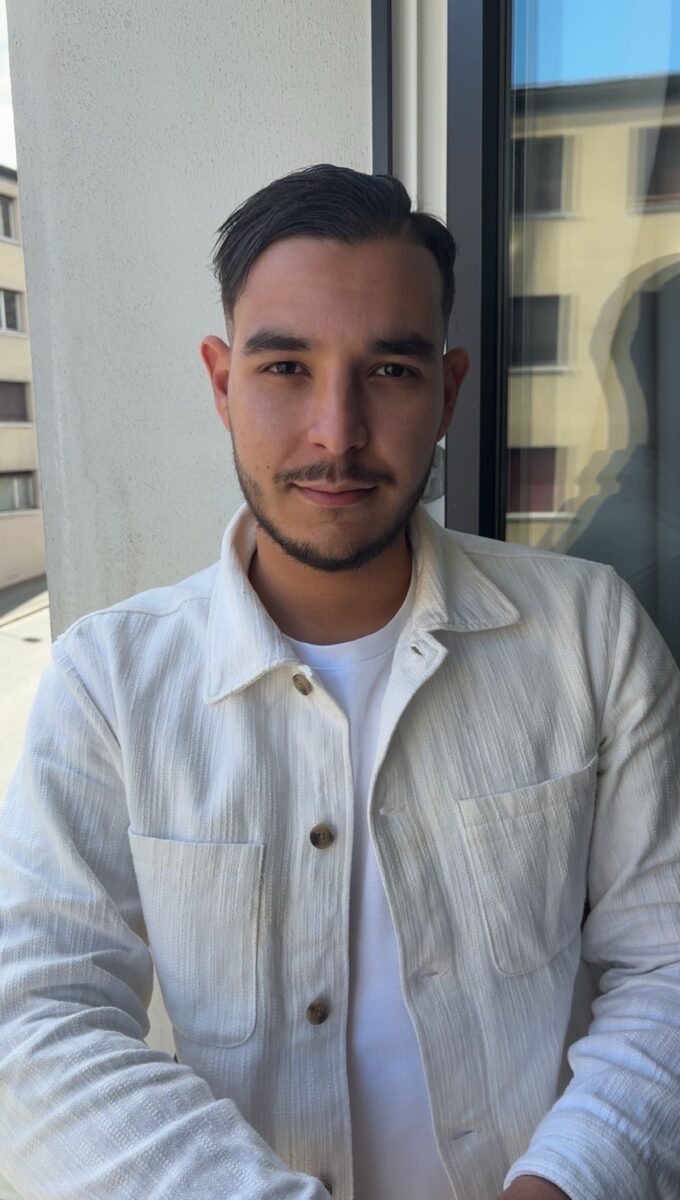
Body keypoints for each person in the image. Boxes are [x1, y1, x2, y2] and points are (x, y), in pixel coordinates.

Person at [0, 163, 678, 1200]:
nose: (336, 431)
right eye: (285, 367)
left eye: (390, 370)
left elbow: (665, 963)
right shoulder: (112, 682)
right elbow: (36, 1017)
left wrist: (562, 1183)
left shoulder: (587, 633)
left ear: (447, 390)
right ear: (221, 383)